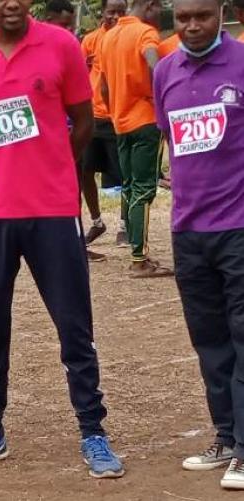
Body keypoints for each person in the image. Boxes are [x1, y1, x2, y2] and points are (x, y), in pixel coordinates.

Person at [0, 0, 124, 479]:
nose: (11, 3)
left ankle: (93, 431)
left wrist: (50, 166)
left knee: (74, 328)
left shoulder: (61, 45)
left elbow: (83, 123)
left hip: (53, 211)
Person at [154, 0, 244, 490]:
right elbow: (170, 138)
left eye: (202, 17)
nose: (192, 26)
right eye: (183, 17)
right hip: (189, 232)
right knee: (209, 340)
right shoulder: (165, 70)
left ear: (221, 14)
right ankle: (227, 438)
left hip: (239, 228)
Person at [99, 0, 173, 277]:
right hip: (145, 120)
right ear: (151, 6)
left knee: (129, 186)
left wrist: (114, 111)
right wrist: (163, 98)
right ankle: (139, 259)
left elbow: (103, 86)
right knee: (144, 189)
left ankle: (137, 249)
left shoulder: (107, 37)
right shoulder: (145, 33)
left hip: (120, 122)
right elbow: (156, 64)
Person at [81, 0, 128, 247]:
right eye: (112, 11)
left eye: (122, 11)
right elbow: (78, 73)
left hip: (118, 116)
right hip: (93, 117)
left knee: (124, 174)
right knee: (85, 172)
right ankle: (97, 222)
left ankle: (125, 225)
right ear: (103, 12)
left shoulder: (130, 37)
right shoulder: (90, 40)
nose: (117, 16)